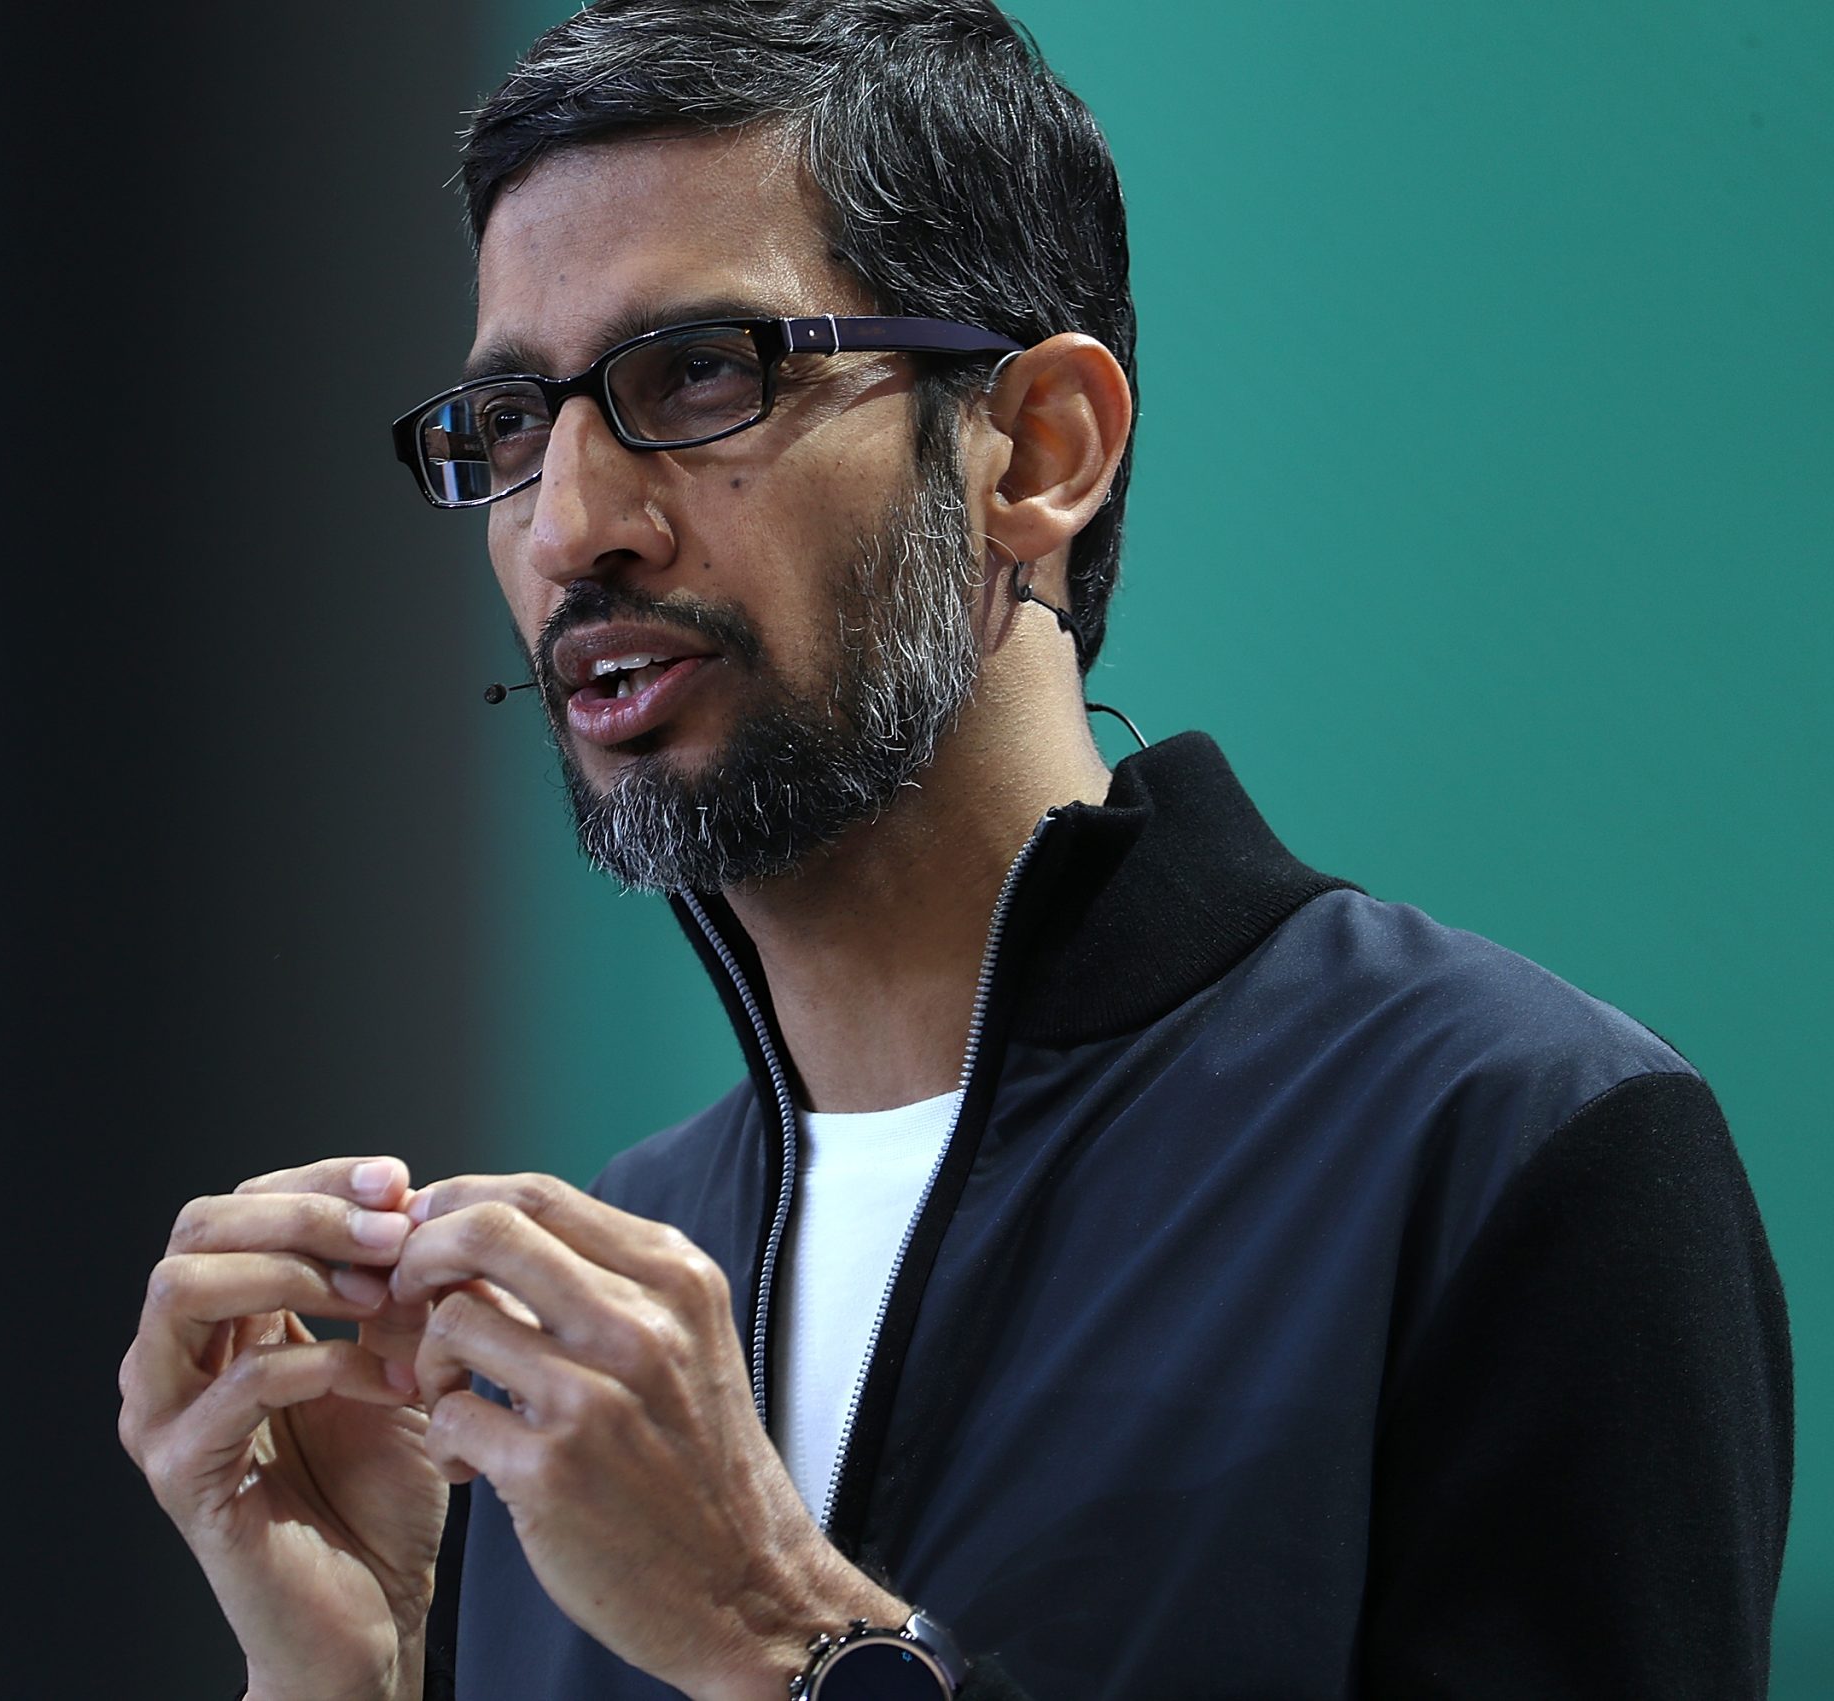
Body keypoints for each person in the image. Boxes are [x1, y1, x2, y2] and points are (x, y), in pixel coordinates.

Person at [115, 3, 1794, 1696]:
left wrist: (789, 1645)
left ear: (1036, 450)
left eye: (699, 374)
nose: (570, 526)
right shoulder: (619, 1270)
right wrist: (377, 1675)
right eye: (513, 428)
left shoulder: (1514, 1149)